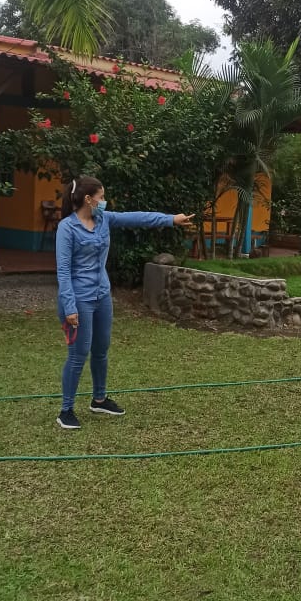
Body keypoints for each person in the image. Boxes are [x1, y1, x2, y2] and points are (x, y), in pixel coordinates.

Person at [55, 175, 193, 429]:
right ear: (88, 199)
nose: (104, 201)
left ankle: (99, 399)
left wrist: (171, 219)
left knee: (101, 349)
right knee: (78, 354)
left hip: (102, 295)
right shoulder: (67, 228)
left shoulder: (104, 219)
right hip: (79, 299)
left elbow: (138, 217)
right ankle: (66, 410)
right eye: (101, 197)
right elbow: (63, 271)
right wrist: (70, 307)